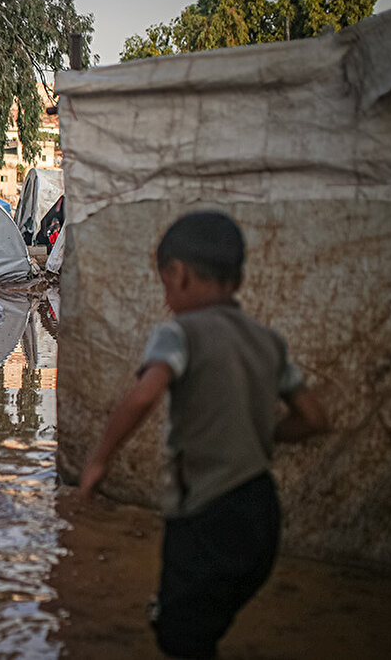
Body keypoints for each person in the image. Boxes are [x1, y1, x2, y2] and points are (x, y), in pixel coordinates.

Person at [77, 211, 328, 659]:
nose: (167, 297)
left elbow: (143, 397)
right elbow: (312, 418)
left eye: (165, 284)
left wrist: (99, 460)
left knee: (180, 635)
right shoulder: (267, 340)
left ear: (179, 274)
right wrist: (258, 432)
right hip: (261, 513)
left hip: (205, 514)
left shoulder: (179, 332)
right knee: (201, 624)